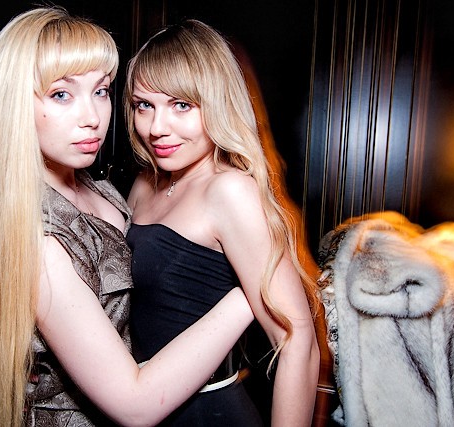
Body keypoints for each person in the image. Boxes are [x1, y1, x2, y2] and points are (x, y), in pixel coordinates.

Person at [0, 7, 255, 427]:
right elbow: (135, 405)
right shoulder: (38, 240)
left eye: (101, 91)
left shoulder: (101, 188)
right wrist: (251, 293)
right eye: (61, 95)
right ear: (13, 105)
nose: (92, 118)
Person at [124, 19, 321, 426]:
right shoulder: (146, 182)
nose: (157, 128)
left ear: (217, 103)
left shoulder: (229, 191)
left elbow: (296, 339)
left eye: (181, 105)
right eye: (145, 105)